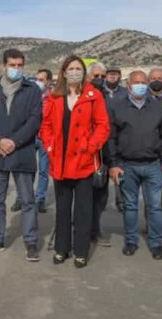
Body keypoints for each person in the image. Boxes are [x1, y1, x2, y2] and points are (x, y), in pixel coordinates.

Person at [39, 57, 109, 268]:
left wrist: (91, 147)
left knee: (83, 209)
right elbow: (46, 125)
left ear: (84, 72)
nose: (75, 72)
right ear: (64, 72)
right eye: (71, 68)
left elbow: (103, 125)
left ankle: (81, 250)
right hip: (60, 161)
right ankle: (61, 248)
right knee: (62, 208)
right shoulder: (55, 97)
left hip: (84, 161)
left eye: (79, 68)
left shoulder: (93, 96)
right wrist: (50, 146)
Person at [0, 48, 43, 261]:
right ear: (4, 66)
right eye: (12, 65)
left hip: (22, 152)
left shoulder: (32, 89)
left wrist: (15, 141)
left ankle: (31, 242)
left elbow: (35, 119)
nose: (16, 69)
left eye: (19, 65)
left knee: (27, 200)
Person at [107, 70, 162, 259]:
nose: (141, 86)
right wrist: (113, 163)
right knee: (130, 206)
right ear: (128, 86)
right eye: (136, 82)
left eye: (144, 82)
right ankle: (131, 241)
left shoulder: (158, 107)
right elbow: (111, 138)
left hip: (153, 165)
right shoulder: (117, 107)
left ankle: (155, 243)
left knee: (155, 206)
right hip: (127, 165)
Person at [12, 69, 53, 214]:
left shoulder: (53, 98)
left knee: (43, 170)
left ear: (48, 82)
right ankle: (21, 197)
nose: (38, 82)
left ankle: (40, 199)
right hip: (29, 137)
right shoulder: (29, 96)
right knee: (25, 169)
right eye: (36, 79)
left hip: (44, 138)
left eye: (41, 79)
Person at [86, 62, 113, 246]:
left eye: (103, 77)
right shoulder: (81, 95)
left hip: (103, 154)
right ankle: (83, 229)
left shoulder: (107, 97)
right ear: (88, 77)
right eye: (96, 76)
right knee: (85, 196)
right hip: (85, 154)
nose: (100, 80)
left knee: (101, 196)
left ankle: (95, 228)